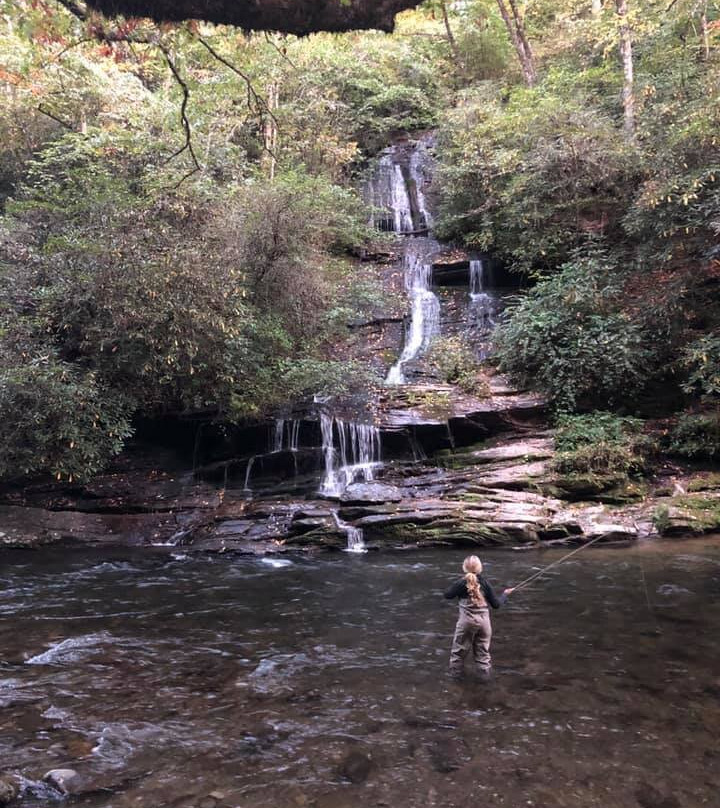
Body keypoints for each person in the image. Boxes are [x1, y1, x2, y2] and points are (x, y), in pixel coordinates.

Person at [444, 555, 514, 681]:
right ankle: (485, 683)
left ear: (464, 568)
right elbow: (496, 605)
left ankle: (455, 682)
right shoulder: (485, 583)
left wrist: (458, 584)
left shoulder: (461, 583)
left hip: (467, 622)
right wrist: (505, 594)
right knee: (483, 655)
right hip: (484, 623)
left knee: (458, 654)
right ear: (480, 568)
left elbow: (447, 595)